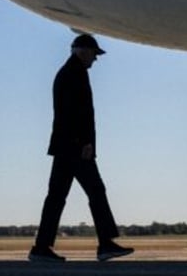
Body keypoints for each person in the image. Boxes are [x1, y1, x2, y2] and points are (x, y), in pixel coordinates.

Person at [29, 34, 134, 262]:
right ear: (82, 51)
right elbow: (72, 112)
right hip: (75, 147)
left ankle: (41, 247)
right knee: (96, 191)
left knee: (56, 197)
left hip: (65, 146)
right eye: (94, 54)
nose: (95, 60)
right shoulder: (73, 74)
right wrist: (83, 142)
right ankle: (106, 243)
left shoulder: (69, 72)